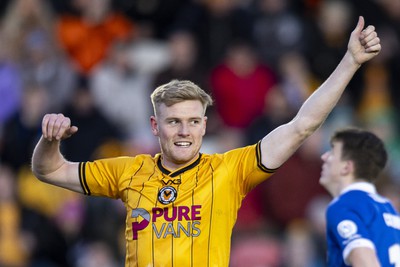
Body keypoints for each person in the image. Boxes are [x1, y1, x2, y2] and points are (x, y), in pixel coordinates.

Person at [31, 16, 380, 266]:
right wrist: (48, 140)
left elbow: (302, 125)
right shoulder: (128, 170)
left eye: (193, 122)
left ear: (204, 126)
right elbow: (50, 171)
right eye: (174, 122)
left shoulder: (229, 170)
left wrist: (350, 62)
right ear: (155, 125)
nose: (184, 131)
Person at [320, 127, 400, 267]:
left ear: (346, 167)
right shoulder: (388, 208)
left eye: (332, 152)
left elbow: (365, 261)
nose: (324, 157)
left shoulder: (343, 206)